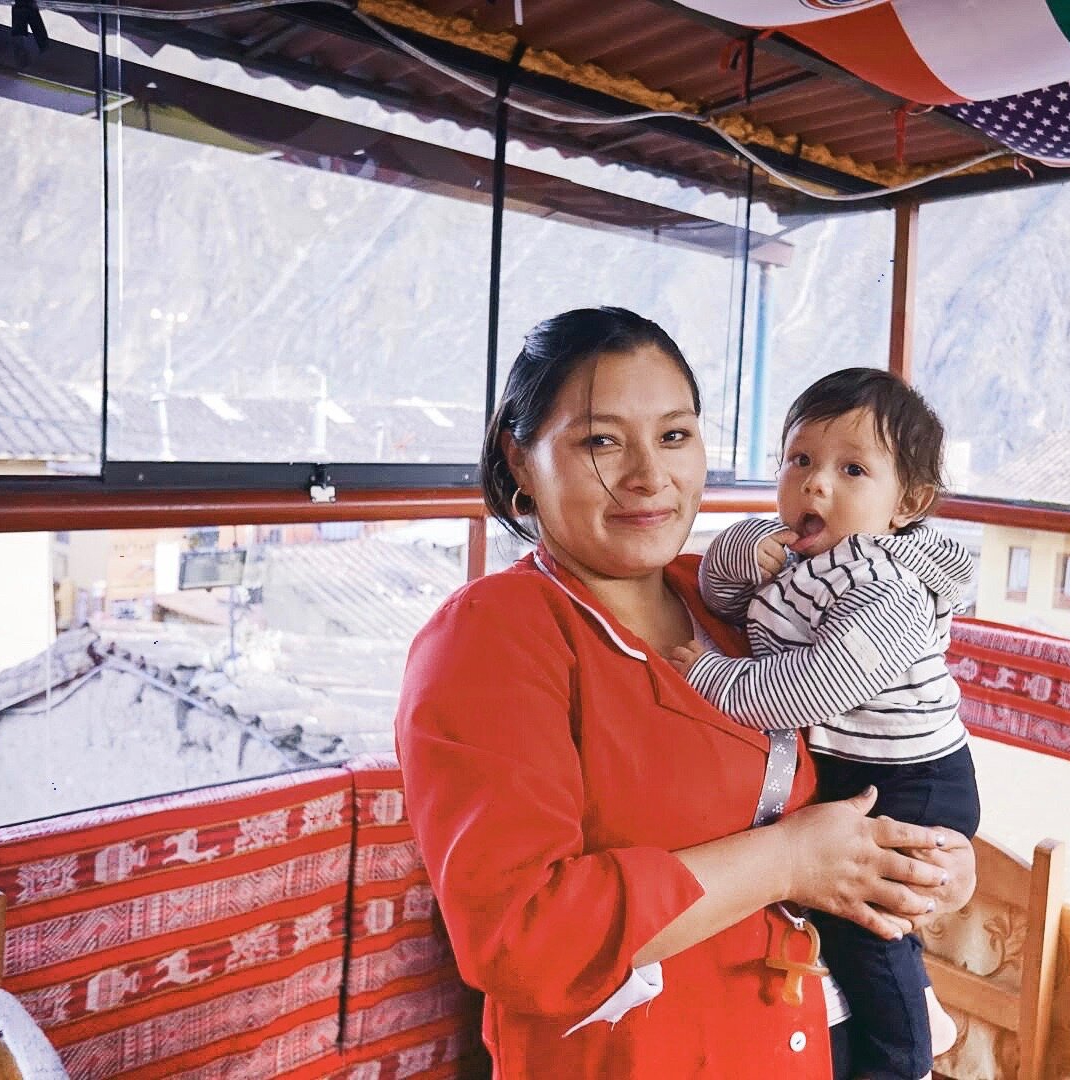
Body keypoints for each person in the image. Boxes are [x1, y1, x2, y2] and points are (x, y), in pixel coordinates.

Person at [394, 308, 976, 1079]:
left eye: (674, 436)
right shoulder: (491, 636)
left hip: (815, 1044)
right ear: (520, 458)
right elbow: (520, 935)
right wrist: (788, 862)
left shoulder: (733, 605)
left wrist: (935, 869)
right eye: (601, 440)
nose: (649, 476)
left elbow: (858, 772)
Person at [668, 368, 979, 1080]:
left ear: (910, 503)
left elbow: (811, 688)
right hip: (861, 765)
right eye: (799, 459)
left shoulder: (887, 588)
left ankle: (905, 1059)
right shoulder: (811, 557)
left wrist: (711, 677)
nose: (815, 484)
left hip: (910, 777)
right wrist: (745, 548)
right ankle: (918, 1006)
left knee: (864, 919)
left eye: (852, 469)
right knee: (861, 906)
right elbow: (723, 593)